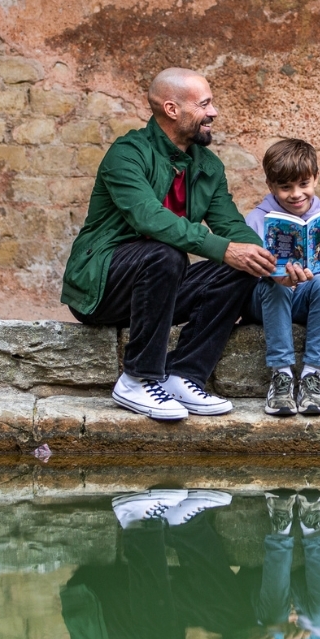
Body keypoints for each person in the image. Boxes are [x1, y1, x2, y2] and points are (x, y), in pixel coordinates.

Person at [61, 68, 276, 421]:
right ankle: (136, 379)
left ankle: (182, 375)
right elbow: (150, 220)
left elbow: (231, 226)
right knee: (165, 253)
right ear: (172, 109)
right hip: (101, 289)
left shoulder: (207, 166)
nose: (214, 112)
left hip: (161, 288)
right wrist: (223, 249)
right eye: (204, 104)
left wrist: (274, 264)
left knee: (242, 267)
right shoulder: (127, 154)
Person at [60, 489, 254, 639]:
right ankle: (185, 522)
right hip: (146, 611)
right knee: (235, 621)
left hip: (99, 616)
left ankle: (137, 522)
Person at [243, 140, 320, 416]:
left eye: (303, 184)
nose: (296, 194)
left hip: (305, 297)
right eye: (285, 187)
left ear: (316, 178)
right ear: (271, 186)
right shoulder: (256, 219)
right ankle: (282, 375)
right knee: (275, 288)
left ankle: (312, 376)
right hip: (266, 300)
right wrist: (274, 275)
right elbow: (245, 276)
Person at [257, 489, 320, 639]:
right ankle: (311, 526)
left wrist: (278, 629)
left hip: (271, 600)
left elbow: (250, 635)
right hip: (309, 600)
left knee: (275, 616)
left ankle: (280, 526)